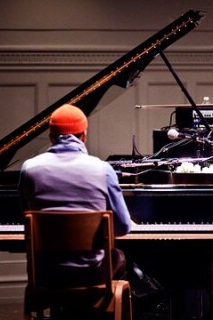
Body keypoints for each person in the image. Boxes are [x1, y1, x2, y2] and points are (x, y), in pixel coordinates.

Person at [19, 104, 134, 286]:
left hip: (45, 274)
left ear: (50, 137)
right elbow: (123, 228)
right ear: (84, 136)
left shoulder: (29, 169)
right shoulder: (103, 170)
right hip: (90, 273)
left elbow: (25, 216)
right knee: (119, 256)